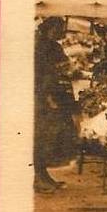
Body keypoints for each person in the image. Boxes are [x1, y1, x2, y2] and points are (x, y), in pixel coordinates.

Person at [34, 17, 77, 193]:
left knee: (53, 138)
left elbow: (61, 67)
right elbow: (41, 75)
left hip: (55, 94)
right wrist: (48, 98)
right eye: (59, 28)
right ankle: (39, 178)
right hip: (45, 96)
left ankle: (44, 176)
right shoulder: (41, 46)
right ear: (50, 28)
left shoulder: (53, 45)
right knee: (43, 138)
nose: (62, 32)